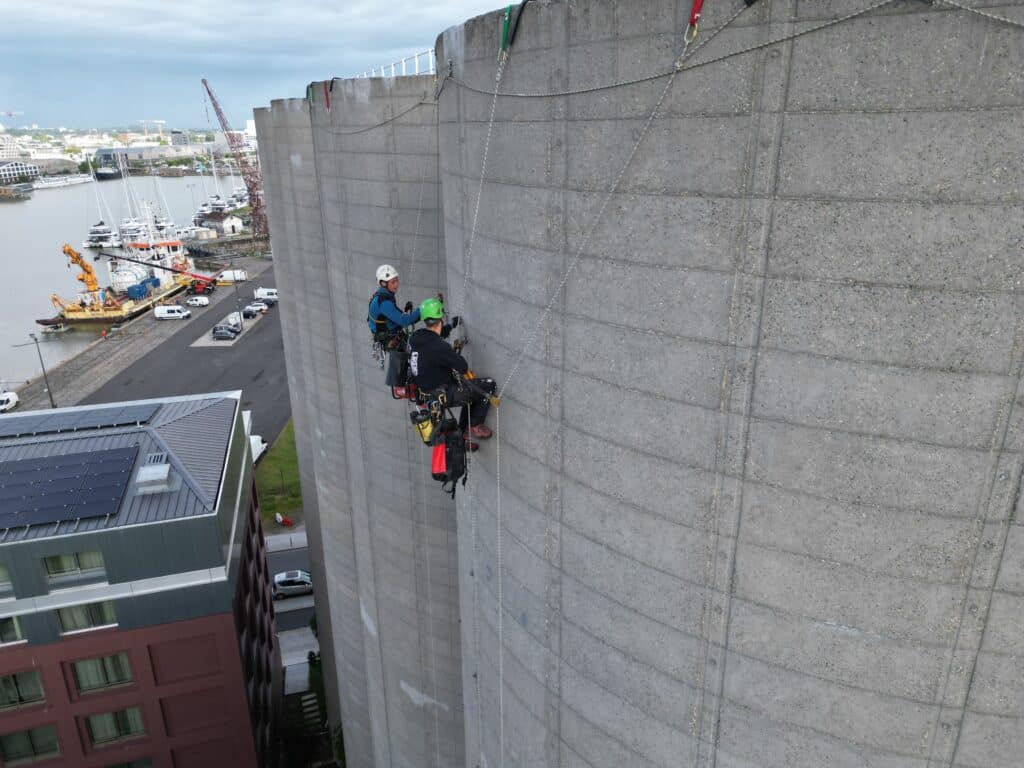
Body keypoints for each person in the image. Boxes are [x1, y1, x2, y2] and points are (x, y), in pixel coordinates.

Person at [409, 297, 495, 441]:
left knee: (469, 390)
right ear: (441, 317)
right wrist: (451, 354)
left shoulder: (415, 338)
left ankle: (463, 434)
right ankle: (475, 425)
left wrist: (451, 325)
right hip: (445, 395)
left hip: (428, 395)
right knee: (488, 385)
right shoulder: (440, 347)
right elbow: (463, 367)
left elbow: (433, 337)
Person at [367, 264, 419, 344]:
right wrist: (422, 309)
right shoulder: (384, 302)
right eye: (393, 282)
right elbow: (404, 321)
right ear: (383, 283)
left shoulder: (385, 294)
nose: (396, 284)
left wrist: (407, 313)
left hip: (389, 331)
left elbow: (398, 315)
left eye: (397, 280)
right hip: (388, 338)